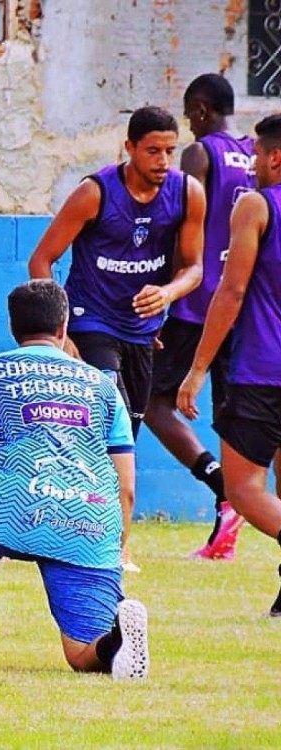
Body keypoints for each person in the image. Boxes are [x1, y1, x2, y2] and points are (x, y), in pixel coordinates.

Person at [29, 105, 205, 569]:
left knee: (125, 433)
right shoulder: (95, 193)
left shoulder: (189, 195)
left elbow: (195, 268)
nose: (163, 160)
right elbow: (41, 262)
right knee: (113, 424)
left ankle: (96, 532)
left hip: (142, 334)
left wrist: (166, 293)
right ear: (128, 149)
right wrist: (61, 332)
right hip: (92, 324)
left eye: (170, 150)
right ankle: (112, 545)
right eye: (152, 151)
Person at [0, 279, 148, 679]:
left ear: (13, 330)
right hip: (91, 520)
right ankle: (112, 643)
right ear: (63, 328)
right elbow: (125, 488)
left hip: (14, 508)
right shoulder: (103, 385)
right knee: (81, 655)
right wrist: (116, 550)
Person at [145, 75, 254, 560]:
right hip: (246, 304)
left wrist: (164, 294)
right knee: (231, 415)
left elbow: (179, 226)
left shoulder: (200, 154)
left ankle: (221, 487)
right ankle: (233, 506)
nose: (189, 125)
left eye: (189, 116)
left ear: (202, 109)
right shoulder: (258, 152)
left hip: (195, 303)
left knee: (154, 403)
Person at [179, 113, 281, 617]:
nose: (253, 164)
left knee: (243, 491)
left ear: (275, 157)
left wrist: (198, 369)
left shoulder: (257, 205)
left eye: (259, 155)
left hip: (261, 371)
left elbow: (233, 289)